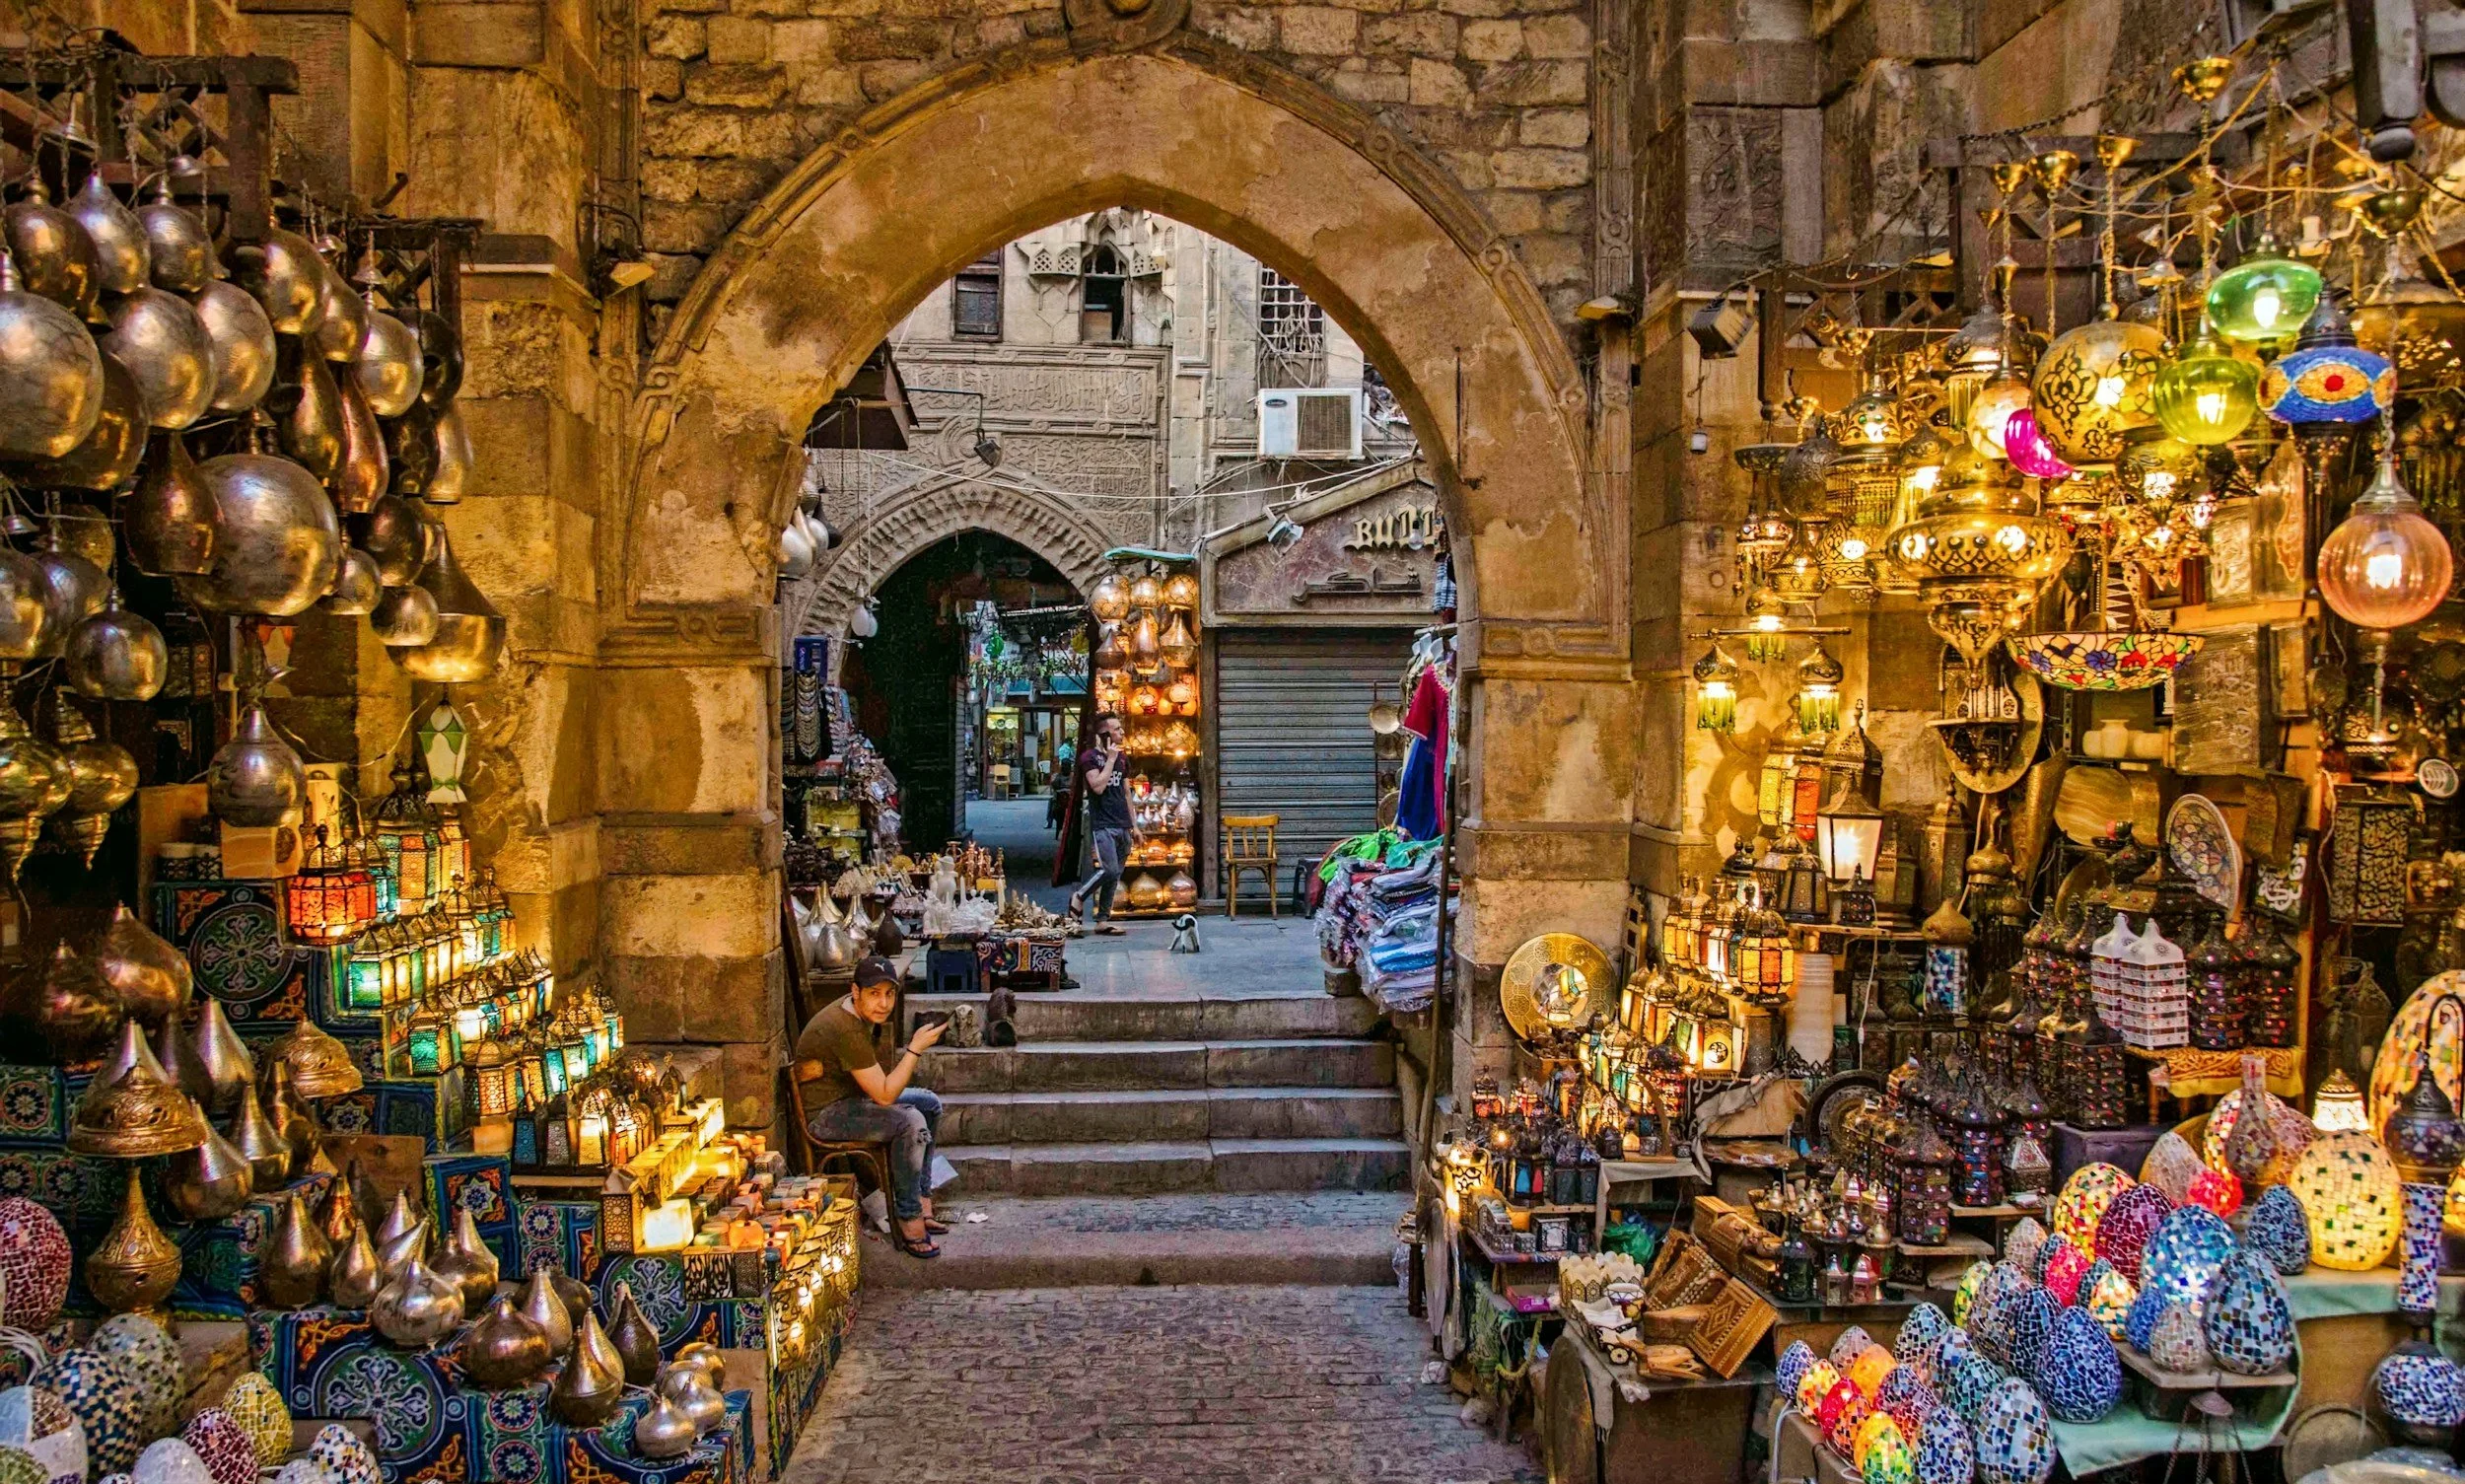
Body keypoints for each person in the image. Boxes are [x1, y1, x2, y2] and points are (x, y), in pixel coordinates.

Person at [794, 957, 949, 1258]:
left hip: (853, 1098)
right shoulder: (846, 1028)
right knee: (911, 1121)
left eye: (889, 994)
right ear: (856, 992)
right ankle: (908, 1218)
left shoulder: (859, 1014)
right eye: (874, 994)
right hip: (826, 1115)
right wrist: (915, 1049)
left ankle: (921, 1201)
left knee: (928, 1105)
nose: (883, 1003)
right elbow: (885, 1095)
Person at [1067, 714, 1133, 934]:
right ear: (1104, 735)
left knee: (1115, 875)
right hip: (1103, 823)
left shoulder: (1123, 758)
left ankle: (1103, 919)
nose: (1122, 732)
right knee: (1109, 869)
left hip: (1122, 822)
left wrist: (1134, 825)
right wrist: (1110, 760)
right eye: (1117, 729)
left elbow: (1126, 793)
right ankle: (1079, 896)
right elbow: (1097, 786)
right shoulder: (1090, 758)